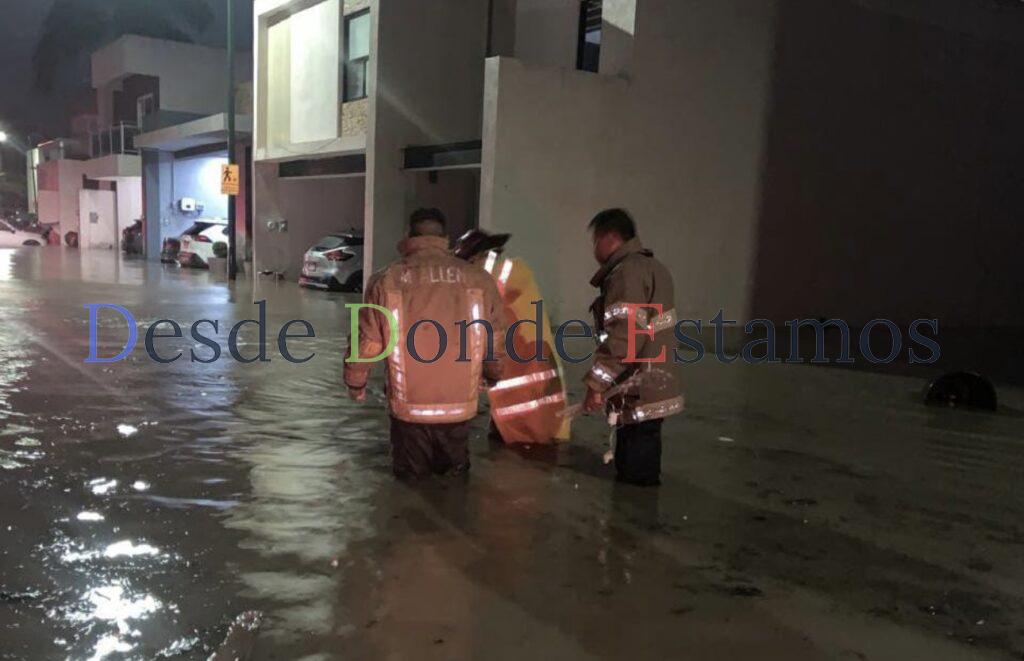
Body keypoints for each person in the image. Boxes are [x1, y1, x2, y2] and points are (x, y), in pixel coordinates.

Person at [344, 208, 506, 479]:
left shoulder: (387, 279)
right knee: (455, 487)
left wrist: (355, 382)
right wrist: (493, 374)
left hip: (409, 409)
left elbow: (369, 340)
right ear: (445, 237)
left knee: (411, 490)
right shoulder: (478, 279)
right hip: (459, 407)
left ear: (408, 235)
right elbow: (495, 337)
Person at [583, 208, 683, 486]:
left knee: (636, 479)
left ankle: (637, 525)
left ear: (610, 237)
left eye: (595, 241)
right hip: (651, 381)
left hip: (638, 387)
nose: (593, 248)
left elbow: (623, 337)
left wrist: (596, 383)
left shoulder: (626, 273)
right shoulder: (653, 268)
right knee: (644, 457)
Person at [453, 229, 571, 444]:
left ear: (478, 258)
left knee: (523, 452)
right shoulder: (514, 275)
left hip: (522, 394)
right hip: (533, 385)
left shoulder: (494, 283)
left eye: (466, 265)